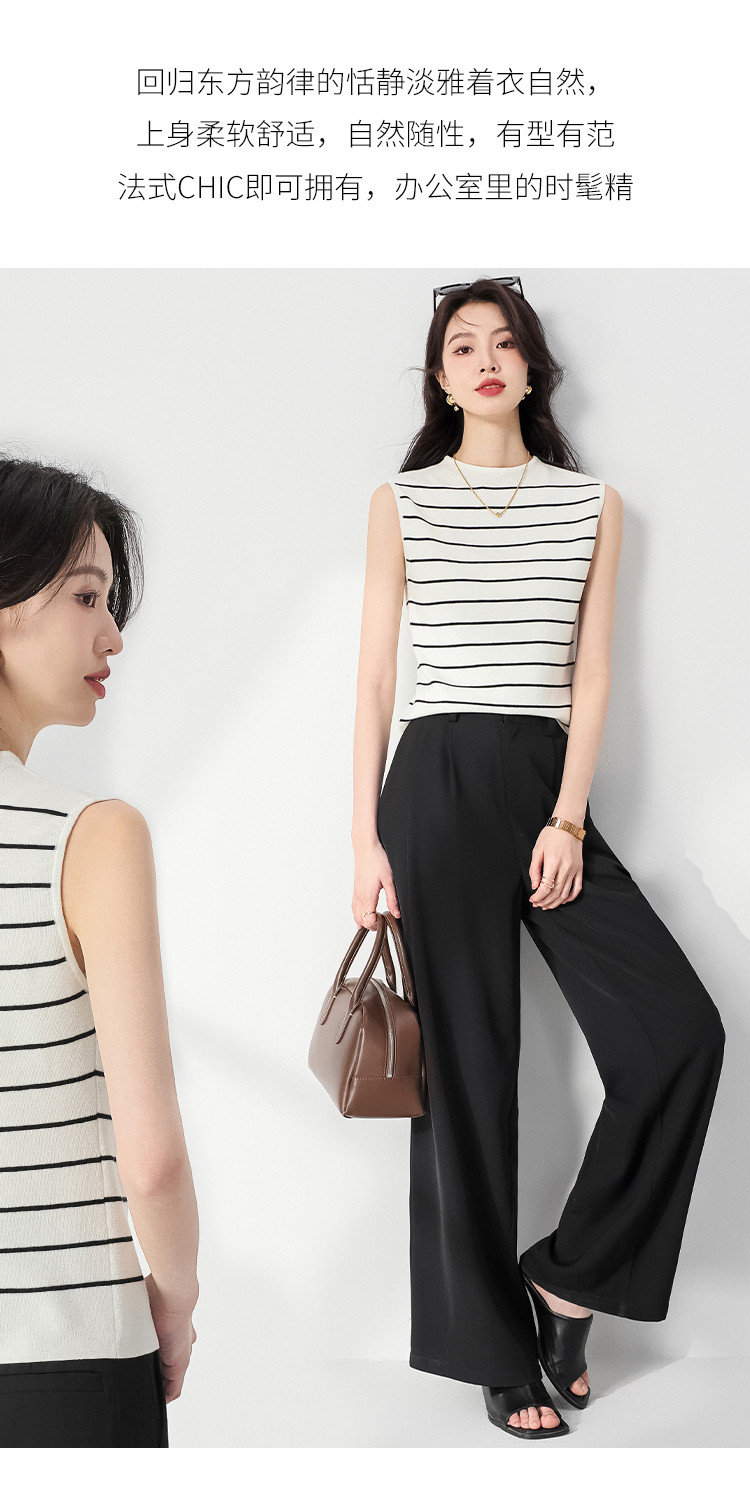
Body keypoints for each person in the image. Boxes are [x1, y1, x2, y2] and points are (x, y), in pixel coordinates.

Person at [350, 277, 725, 1440]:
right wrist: (363, 839)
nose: (485, 358)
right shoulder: (402, 501)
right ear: (440, 376)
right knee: (466, 1078)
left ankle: (568, 1276)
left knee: (680, 1034)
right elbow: (374, 681)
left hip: (541, 782)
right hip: (433, 783)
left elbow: (591, 674)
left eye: (504, 341)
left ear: (531, 366)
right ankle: (494, 1351)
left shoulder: (592, 504)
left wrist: (565, 820)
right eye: (462, 345)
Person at [0, 457, 199, 1448]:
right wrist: (176, 1297)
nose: (114, 635)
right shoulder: (90, 838)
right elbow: (150, 1159)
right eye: (86, 596)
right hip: (68, 1357)